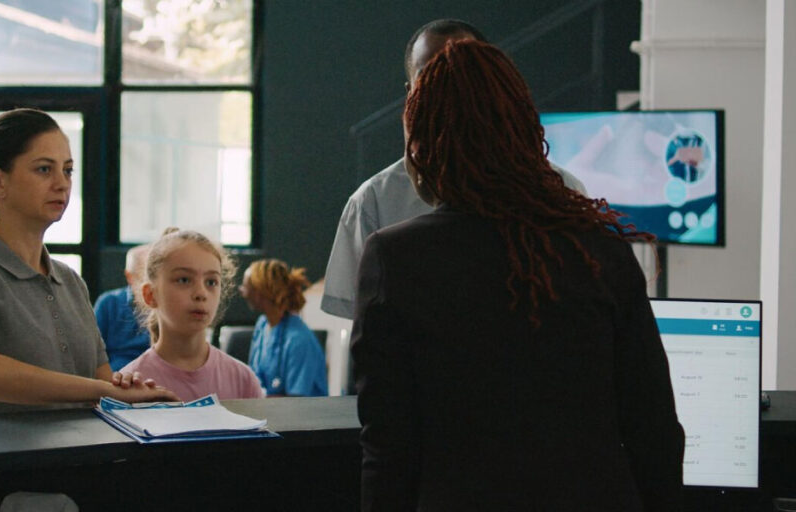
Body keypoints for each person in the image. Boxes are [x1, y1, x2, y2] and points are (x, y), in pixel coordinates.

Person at [352, 40, 684, 510]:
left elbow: (388, 450)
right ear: (527, 135)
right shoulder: (600, 250)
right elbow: (655, 432)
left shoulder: (396, 259)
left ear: (423, 145)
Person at [322, 19, 588, 320]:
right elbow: (366, 335)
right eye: (430, 75)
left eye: (462, 73)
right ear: (411, 93)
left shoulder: (561, 191)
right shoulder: (372, 203)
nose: (447, 87)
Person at [0, 108, 177, 414]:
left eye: (68, 170)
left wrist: (123, 386)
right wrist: (102, 389)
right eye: (44, 169)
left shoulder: (71, 281)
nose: (62, 183)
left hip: (81, 455)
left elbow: (101, 382)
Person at [120, 228, 263, 402]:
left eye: (211, 282)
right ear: (150, 294)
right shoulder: (131, 387)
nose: (201, 293)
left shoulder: (243, 380)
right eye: (184, 280)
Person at [240, 259, 328, 397]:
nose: (242, 293)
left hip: (301, 416)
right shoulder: (262, 325)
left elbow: (295, 403)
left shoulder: (299, 341)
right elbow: (254, 380)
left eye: (245, 287)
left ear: (260, 291)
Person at [94, 244, 151, 370]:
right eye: (145, 275)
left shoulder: (165, 303)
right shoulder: (109, 303)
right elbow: (94, 353)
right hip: (116, 376)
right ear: (129, 277)